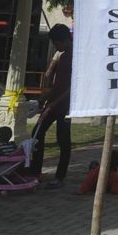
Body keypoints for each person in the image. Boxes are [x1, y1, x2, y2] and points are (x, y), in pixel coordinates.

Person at [30, 23, 73, 188]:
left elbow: (72, 86)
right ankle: (35, 172)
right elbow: (58, 82)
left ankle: (59, 177)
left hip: (66, 105)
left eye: (56, 43)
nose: (55, 46)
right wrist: (45, 97)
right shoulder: (62, 56)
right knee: (36, 134)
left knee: (63, 140)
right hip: (53, 103)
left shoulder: (76, 57)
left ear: (63, 40)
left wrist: (56, 101)